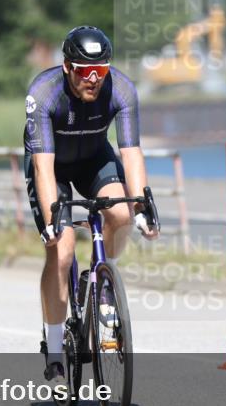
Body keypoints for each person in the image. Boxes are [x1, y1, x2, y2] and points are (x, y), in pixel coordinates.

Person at [24, 25, 158, 381]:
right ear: (67, 67)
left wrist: (142, 208)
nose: (94, 79)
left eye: (101, 70)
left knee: (121, 214)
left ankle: (104, 282)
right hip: (52, 166)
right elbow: (43, 167)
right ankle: (55, 349)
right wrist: (52, 221)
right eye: (85, 71)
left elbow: (131, 153)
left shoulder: (122, 88)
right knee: (62, 250)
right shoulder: (44, 93)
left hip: (94, 159)